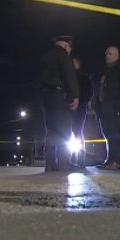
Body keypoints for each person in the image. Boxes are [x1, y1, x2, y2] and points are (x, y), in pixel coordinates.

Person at [39, 35, 79, 172]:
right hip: (59, 96)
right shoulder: (64, 56)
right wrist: (74, 96)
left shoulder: (45, 57)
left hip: (46, 96)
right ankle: (63, 163)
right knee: (64, 130)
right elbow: (69, 76)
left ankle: (50, 163)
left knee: (50, 130)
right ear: (67, 46)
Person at [94, 45, 120, 171]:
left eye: (110, 54)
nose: (107, 56)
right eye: (106, 53)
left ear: (116, 55)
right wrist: (97, 107)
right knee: (107, 133)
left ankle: (115, 161)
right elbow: (99, 89)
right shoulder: (104, 70)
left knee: (115, 133)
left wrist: (119, 106)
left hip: (115, 108)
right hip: (104, 108)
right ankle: (109, 160)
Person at [70, 56, 94, 167]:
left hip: (80, 109)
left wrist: (81, 103)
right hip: (68, 109)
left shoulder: (84, 78)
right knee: (67, 133)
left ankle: (80, 158)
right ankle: (70, 158)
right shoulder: (67, 77)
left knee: (78, 132)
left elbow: (89, 93)